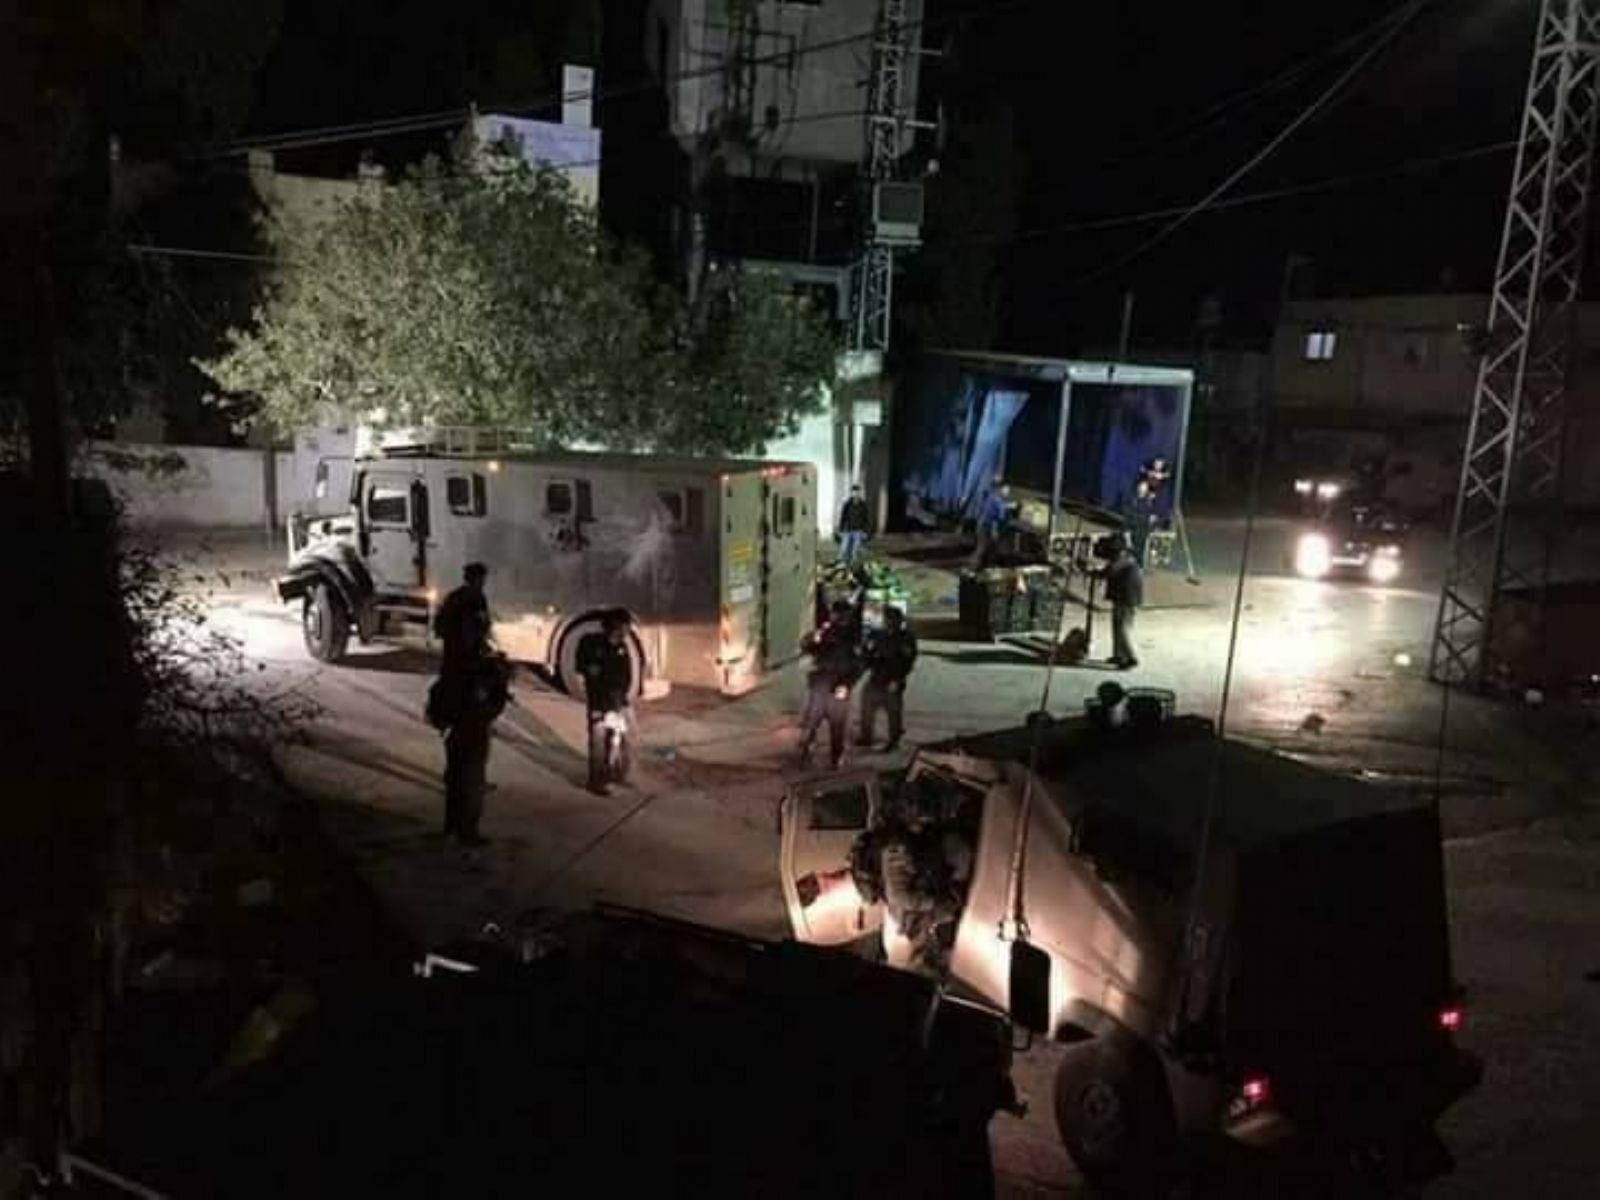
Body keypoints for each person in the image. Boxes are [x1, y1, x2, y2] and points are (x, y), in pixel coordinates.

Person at [438, 649, 511, 846]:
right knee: (471, 782)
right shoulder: (480, 675)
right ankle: (467, 832)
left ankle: (451, 827)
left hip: (454, 726)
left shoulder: (455, 666)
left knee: (455, 777)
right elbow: (488, 708)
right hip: (471, 728)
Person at [575, 610, 634, 796]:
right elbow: (589, 673)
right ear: (615, 627)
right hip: (600, 700)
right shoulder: (592, 645)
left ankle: (617, 773)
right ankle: (597, 780)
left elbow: (626, 675)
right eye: (625, 627)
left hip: (619, 700)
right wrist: (602, 706)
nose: (627, 631)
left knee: (625, 737)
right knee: (598, 740)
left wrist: (621, 701)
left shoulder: (622, 647)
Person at [798, 600, 862, 769]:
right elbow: (808, 648)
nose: (838, 617)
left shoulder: (853, 636)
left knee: (837, 722)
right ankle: (807, 747)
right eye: (836, 613)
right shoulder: (825, 631)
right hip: (821, 682)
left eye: (842, 614)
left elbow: (858, 665)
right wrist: (812, 640)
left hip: (839, 684)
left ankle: (836, 755)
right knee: (813, 718)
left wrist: (847, 683)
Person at [858, 605, 917, 752]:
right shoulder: (879, 635)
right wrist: (866, 655)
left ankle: (894, 739)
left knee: (893, 709)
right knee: (867, 704)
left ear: (899, 621)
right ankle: (866, 736)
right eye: (887, 619)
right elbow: (869, 653)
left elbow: (908, 660)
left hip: (893, 677)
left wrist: (898, 678)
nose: (888, 622)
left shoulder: (905, 637)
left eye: (891, 619)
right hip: (877, 676)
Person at [1088, 533, 1143, 669]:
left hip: (1126, 599)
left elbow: (1109, 571)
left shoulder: (1123, 559)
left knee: (1122, 628)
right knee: (1117, 626)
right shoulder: (1125, 558)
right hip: (1122, 597)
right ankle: (1119, 655)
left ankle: (1131, 657)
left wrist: (1094, 573)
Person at [434, 562, 492, 670]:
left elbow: (483, 622)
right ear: (475, 579)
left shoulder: (457, 596)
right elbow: (478, 624)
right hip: (462, 653)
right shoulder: (470, 598)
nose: (484, 582)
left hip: (459, 652)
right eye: (481, 579)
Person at [969, 480, 1013, 570]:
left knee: (987, 548)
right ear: (1000, 489)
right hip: (987, 527)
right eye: (1006, 491)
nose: (1008, 493)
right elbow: (1000, 517)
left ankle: (981, 567)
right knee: (982, 548)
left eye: (1008, 491)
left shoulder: (991, 496)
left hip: (981, 524)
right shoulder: (998, 501)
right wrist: (1008, 508)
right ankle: (972, 567)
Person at [837, 485, 871, 566]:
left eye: (857, 492)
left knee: (855, 551)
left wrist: (866, 531)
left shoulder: (863, 505)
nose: (855, 494)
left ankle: (853, 566)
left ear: (859, 493)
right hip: (847, 530)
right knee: (844, 549)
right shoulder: (847, 504)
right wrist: (841, 529)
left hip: (858, 531)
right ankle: (841, 564)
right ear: (851, 493)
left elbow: (866, 519)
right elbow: (843, 517)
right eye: (854, 492)